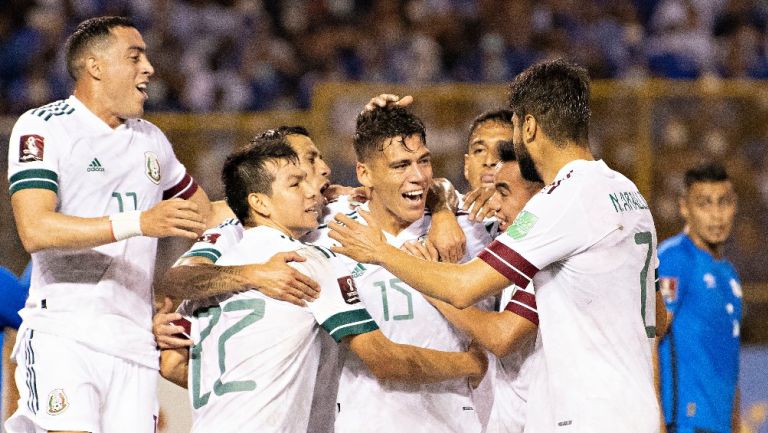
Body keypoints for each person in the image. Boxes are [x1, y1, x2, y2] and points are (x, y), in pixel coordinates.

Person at [329, 59, 667, 433]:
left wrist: (379, 251)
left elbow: (463, 288)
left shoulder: (561, 201)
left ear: (530, 126)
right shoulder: (626, 191)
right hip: (635, 407)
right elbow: (659, 317)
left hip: (587, 412)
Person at [4, 16, 306, 433]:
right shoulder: (44, 126)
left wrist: (315, 198)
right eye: (135, 57)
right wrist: (140, 221)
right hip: (65, 335)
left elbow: (205, 215)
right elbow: (35, 229)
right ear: (95, 66)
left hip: (135, 347)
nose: (149, 68)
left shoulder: (152, 141)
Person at [157, 137, 487, 433]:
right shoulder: (305, 261)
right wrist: (471, 362)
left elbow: (173, 361)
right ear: (260, 202)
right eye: (296, 183)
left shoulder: (212, 272)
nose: (313, 189)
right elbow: (384, 359)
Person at [309, 105, 495, 433]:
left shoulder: (472, 226)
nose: (418, 176)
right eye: (400, 165)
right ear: (364, 174)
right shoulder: (327, 231)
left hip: (457, 423)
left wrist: (442, 208)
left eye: (424, 160)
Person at [428, 142, 544, 433]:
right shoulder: (509, 242)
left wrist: (429, 284)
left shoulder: (547, 253)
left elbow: (501, 336)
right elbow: (440, 186)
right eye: (479, 151)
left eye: (503, 192)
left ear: (541, 196)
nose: (493, 203)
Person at [657, 162, 741, 433]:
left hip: (719, 425)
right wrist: (655, 417)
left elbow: (730, 361)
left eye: (723, 202)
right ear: (684, 207)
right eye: (705, 204)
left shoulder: (729, 275)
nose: (716, 215)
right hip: (685, 423)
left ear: (735, 205)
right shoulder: (675, 258)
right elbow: (650, 337)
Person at [461, 109, 515, 222]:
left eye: (502, 151)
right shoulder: (449, 210)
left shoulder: (539, 213)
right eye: (480, 151)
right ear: (467, 165)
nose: (489, 161)